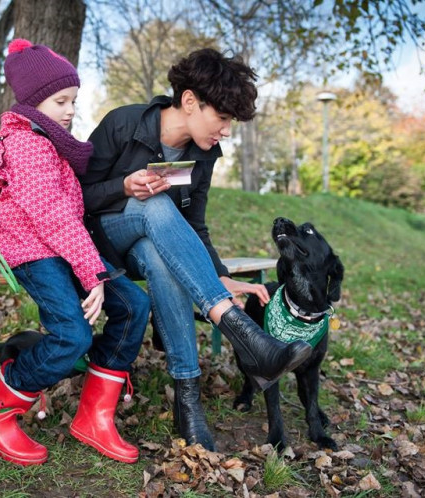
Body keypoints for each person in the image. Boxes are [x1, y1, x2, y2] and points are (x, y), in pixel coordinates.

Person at [79, 48, 312, 451]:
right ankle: (246, 337)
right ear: (189, 101)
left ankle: (188, 401)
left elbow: (194, 224)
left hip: (149, 245)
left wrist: (217, 272)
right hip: (99, 241)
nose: (225, 131)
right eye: (222, 119)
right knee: (153, 201)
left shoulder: (203, 154)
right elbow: (74, 197)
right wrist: (123, 188)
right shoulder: (124, 123)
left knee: (159, 257)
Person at [0, 39, 150, 466]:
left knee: (134, 304)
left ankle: (94, 415)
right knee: (72, 336)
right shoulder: (27, 144)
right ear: (34, 102)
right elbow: (51, 216)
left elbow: (68, 214)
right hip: (32, 249)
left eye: (73, 100)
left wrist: (95, 269)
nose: (70, 110)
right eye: (60, 100)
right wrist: (93, 273)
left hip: (62, 246)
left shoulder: (49, 140)